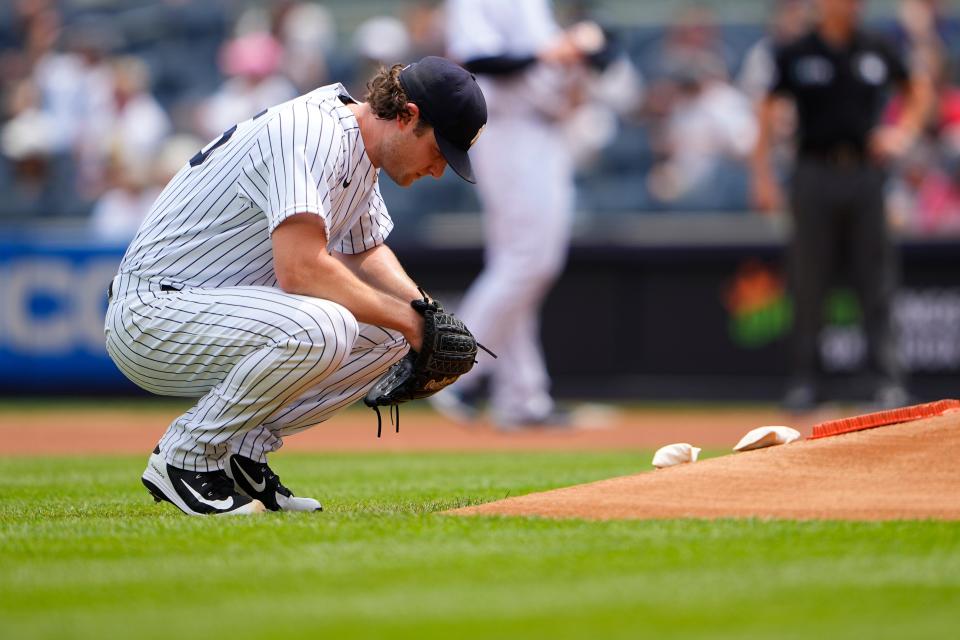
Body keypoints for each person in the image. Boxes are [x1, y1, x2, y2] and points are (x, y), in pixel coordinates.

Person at [104, 57, 486, 516]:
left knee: (388, 335)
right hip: (152, 313)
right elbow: (301, 271)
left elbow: (367, 251)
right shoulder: (311, 132)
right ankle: (185, 456)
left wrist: (422, 313)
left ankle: (242, 452)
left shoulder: (357, 147)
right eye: (439, 151)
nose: (439, 169)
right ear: (407, 116)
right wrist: (413, 322)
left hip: (209, 308)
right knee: (325, 325)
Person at [751, 0, 932, 411]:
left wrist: (902, 131)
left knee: (877, 278)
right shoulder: (797, 51)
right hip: (813, 171)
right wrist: (761, 174)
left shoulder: (876, 47)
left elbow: (917, 88)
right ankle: (806, 382)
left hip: (866, 174)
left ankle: (886, 382)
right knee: (808, 279)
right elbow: (766, 107)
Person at [433, 0, 599, 429]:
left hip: (543, 127)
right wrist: (554, 52)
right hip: (506, 128)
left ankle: (522, 396)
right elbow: (477, 57)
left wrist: (583, 53)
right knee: (530, 261)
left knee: (517, 265)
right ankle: (451, 368)